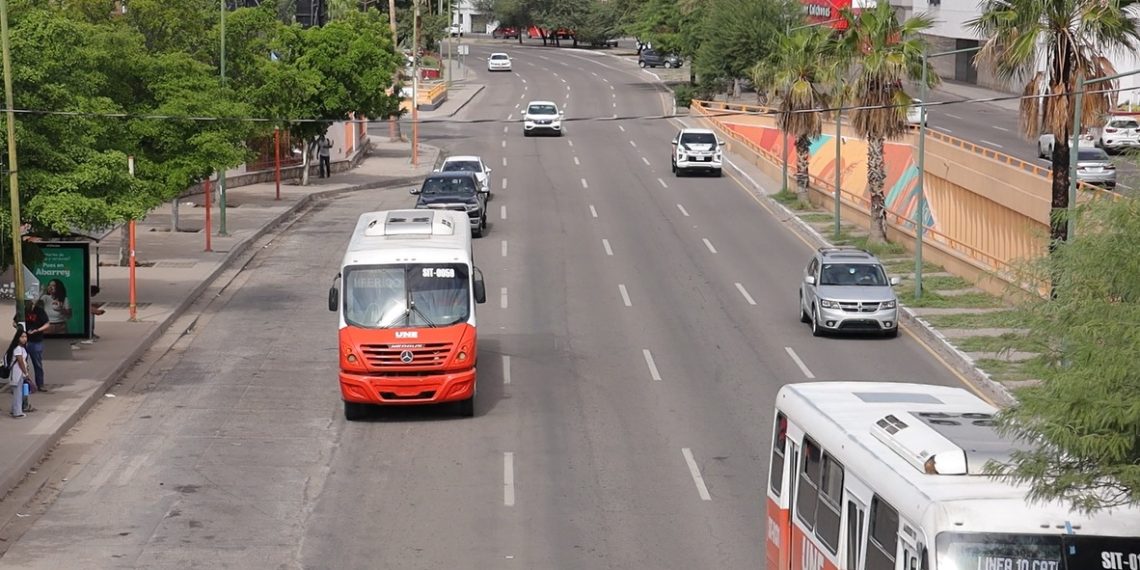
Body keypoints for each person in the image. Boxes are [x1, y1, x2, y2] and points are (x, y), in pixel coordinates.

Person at [13, 299, 50, 392]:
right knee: (21, 363)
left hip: (36, 341)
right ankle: (22, 384)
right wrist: (20, 329)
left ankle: (40, 384)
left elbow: (47, 324)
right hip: (23, 341)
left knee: (37, 364)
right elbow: (14, 322)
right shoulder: (23, 311)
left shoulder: (39, 311)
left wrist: (37, 330)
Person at [6, 327, 31, 418]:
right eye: (22, 337)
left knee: (18, 392)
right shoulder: (17, 349)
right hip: (17, 374)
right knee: (18, 393)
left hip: (19, 374)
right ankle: (17, 412)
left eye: (25, 336)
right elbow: (20, 362)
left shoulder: (22, 348)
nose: (24, 339)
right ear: (17, 338)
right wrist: (26, 373)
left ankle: (14, 410)